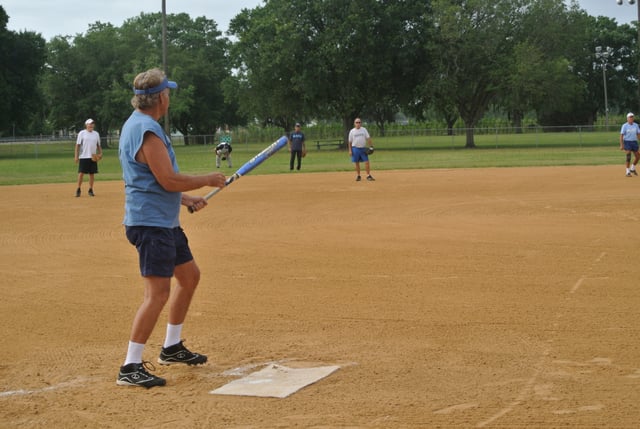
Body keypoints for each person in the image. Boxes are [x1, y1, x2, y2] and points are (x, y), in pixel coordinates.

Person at [116, 68, 226, 389]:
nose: (169, 98)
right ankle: (130, 365)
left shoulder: (138, 124)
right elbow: (166, 179)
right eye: (169, 94)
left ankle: (171, 347)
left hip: (163, 221)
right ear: (161, 97)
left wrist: (186, 199)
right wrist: (206, 179)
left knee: (189, 277)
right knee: (157, 294)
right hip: (150, 225)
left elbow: (152, 180)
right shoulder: (146, 131)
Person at [74, 118, 102, 197]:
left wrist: (100, 153)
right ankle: (78, 188)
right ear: (86, 125)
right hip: (83, 156)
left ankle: (90, 189)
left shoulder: (96, 134)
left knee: (92, 174)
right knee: (81, 173)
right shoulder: (82, 133)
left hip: (92, 156)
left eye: (92, 124)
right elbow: (77, 145)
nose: (91, 125)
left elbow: (98, 145)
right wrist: (76, 156)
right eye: (89, 124)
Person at [620, 112, 640, 177]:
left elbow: (638, 134)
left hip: (634, 142)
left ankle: (632, 168)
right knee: (628, 155)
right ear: (627, 118)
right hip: (627, 142)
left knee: (638, 157)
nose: (631, 118)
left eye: (632, 117)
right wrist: (622, 144)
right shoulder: (624, 126)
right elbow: (621, 136)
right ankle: (627, 171)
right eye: (630, 117)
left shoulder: (636, 125)